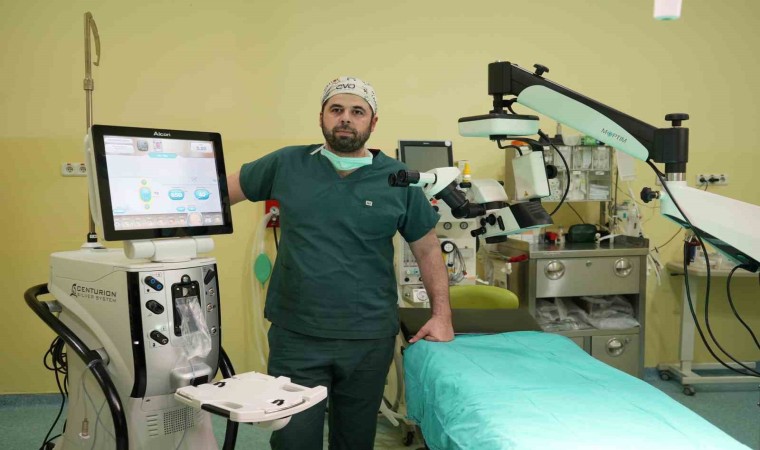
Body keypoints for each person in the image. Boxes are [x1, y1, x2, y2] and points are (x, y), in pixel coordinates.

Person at [226, 76, 454, 450]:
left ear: (373, 122)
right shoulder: (286, 163)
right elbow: (219, 192)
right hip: (297, 336)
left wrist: (442, 315)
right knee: (293, 441)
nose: (345, 118)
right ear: (322, 117)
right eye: (336, 109)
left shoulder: (399, 179)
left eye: (357, 111)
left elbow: (428, 250)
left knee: (355, 440)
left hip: (368, 338)